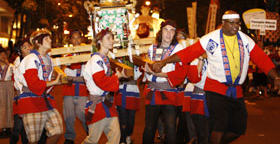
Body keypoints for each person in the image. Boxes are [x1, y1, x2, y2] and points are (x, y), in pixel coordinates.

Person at [152, 10, 280, 144]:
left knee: (239, 128)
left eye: (237, 23)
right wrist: (164, 61)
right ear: (223, 23)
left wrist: (276, 77)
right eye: (232, 23)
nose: (235, 26)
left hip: (236, 91)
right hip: (215, 90)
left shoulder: (245, 40)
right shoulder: (210, 39)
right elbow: (187, 53)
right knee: (220, 126)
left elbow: (262, 59)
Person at [142, 19, 201, 144]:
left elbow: (180, 74)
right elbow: (146, 69)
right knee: (149, 127)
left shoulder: (178, 49)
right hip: (152, 91)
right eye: (166, 30)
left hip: (169, 92)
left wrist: (156, 73)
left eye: (172, 31)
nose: (168, 34)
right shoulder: (152, 48)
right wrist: (145, 69)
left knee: (170, 128)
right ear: (161, 32)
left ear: (174, 34)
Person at [17, 29, 63, 144]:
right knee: (34, 140)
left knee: (58, 131)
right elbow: (34, 84)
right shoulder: (30, 59)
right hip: (31, 100)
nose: (50, 40)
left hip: (45, 99)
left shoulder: (49, 59)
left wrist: (54, 80)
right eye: (47, 38)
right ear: (38, 42)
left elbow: (45, 81)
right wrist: (53, 82)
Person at [82, 28, 127, 144]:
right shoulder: (96, 59)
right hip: (97, 105)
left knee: (115, 136)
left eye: (112, 38)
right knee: (92, 140)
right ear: (100, 41)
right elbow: (101, 82)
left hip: (106, 104)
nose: (112, 40)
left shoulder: (104, 58)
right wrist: (117, 77)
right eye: (108, 38)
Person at [63, 30, 89, 144]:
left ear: (82, 39)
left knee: (82, 113)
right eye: (73, 38)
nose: (76, 40)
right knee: (68, 115)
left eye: (78, 37)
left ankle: (90, 132)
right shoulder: (67, 56)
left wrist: (73, 76)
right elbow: (65, 73)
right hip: (69, 90)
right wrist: (77, 76)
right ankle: (69, 137)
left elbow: (87, 75)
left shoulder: (87, 56)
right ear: (71, 40)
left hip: (83, 90)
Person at [114, 65, 141, 144]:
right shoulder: (117, 63)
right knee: (123, 120)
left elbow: (137, 75)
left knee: (131, 121)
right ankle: (122, 140)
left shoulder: (135, 64)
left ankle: (128, 135)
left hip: (132, 94)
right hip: (121, 93)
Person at [0, 47, 14, 137]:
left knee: (9, 106)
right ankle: (1, 126)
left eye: (4, 54)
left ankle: (8, 127)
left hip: (8, 87)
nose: (3, 56)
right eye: (1, 54)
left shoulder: (11, 66)